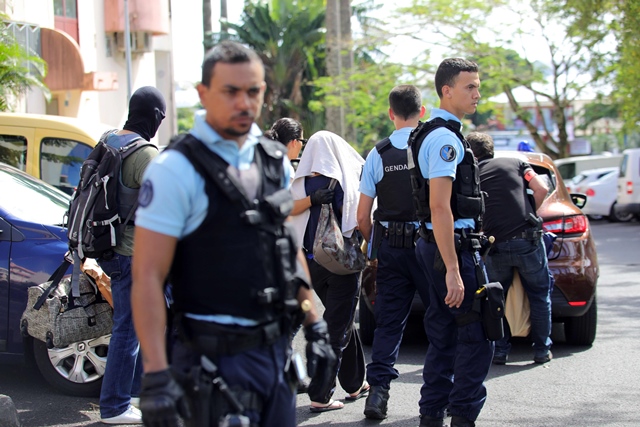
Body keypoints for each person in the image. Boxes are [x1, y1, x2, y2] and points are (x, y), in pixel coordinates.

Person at [130, 41, 335, 427]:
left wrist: (315, 324)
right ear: (203, 94)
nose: (244, 102)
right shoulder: (175, 169)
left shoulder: (273, 161)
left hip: (274, 358)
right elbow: (147, 278)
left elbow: (286, 250)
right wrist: (156, 374)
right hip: (209, 364)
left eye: (253, 91)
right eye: (231, 91)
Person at [408, 58, 493, 427]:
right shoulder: (445, 138)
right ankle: (461, 417)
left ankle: (431, 416)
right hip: (451, 248)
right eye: (469, 86)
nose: (477, 93)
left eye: (477, 86)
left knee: (443, 334)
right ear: (447, 90)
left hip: (436, 246)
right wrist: (455, 270)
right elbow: (439, 207)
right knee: (477, 336)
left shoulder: (434, 132)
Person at [356, 84, 431, 420]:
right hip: (429, 247)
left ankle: (378, 396)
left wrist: (376, 248)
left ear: (391, 113)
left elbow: (362, 216)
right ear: (422, 111)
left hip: (391, 249)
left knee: (388, 323)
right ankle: (438, 398)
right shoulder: (432, 146)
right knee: (442, 320)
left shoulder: (378, 153)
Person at [96, 86, 166, 424]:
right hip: (133, 253)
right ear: (154, 117)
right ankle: (114, 406)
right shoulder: (146, 155)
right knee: (129, 329)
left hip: (108, 248)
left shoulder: (109, 140)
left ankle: (134, 393)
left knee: (136, 325)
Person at [290, 130, 368, 413]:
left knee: (343, 318)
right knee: (337, 326)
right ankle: (321, 394)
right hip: (342, 264)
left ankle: (356, 383)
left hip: (311, 263)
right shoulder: (344, 178)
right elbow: (356, 219)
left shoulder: (300, 183)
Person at [466, 131, 553, 365]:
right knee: (539, 294)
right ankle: (542, 350)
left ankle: (501, 351)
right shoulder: (517, 162)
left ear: (471, 154)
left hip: (495, 245)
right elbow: (542, 188)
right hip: (528, 239)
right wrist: (530, 213)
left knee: (496, 298)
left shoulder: (469, 173)